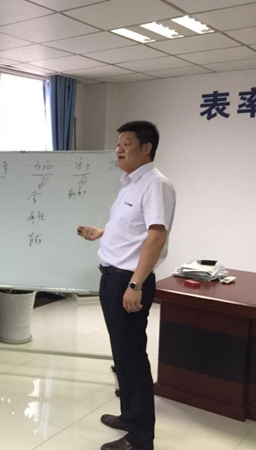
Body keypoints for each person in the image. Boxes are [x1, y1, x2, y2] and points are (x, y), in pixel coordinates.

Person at [78, 121, 176, 450]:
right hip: (112, 278)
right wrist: (101, 233)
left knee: (132, 357)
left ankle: (140, 438)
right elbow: (130, 229)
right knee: (122, 354)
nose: (118, 149)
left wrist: (135, 285)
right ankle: (130, 415)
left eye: (127, 143)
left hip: (128, 280)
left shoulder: (156, 185)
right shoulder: (129, 184)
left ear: (146, 148)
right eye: (118, 142)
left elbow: (156, 237)